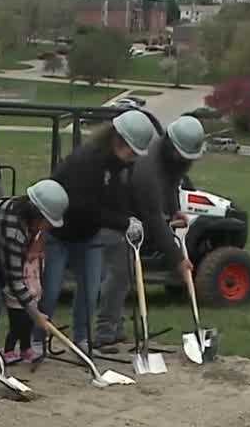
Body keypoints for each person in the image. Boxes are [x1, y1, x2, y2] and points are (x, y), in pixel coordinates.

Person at [31, 110, 157, 357]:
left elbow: (116, 199)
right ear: (119, 140)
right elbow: (83, 207)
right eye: (133, 151)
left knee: (90, 292)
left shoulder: (117, 165)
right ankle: (36, 340)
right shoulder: (86, 161)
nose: (133, 158)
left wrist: (131, 218)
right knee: (51, 290)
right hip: (59, 235)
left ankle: (82, 340)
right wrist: (122, 222)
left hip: (89, 237)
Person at [98, 115, 205, 338]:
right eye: (181, 154)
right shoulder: (149, 168)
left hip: (140, 213)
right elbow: (154, 218)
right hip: (118, 215)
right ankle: (105, 331)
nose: (184, 160)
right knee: (119, 274)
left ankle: (115, 328)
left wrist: (174, 209)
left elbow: (173, 182)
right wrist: (178, 260)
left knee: (125, 275)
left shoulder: (174, 160)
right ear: (170, 144)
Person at [0, 180, 70, 347]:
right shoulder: (13, 231)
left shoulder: (24, 211)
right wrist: (36, 314)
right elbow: (15, 282)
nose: (48, 227)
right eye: (47, 221)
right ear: (37, 213)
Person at [2, 232, 45, 363]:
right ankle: (8, 350)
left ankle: (26, 349)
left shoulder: (38, 259)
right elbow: (14, 279)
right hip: (16, 298)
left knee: (28, 324)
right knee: (16, 325)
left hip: (33, 296)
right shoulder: (16, 259)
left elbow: (38, 274)